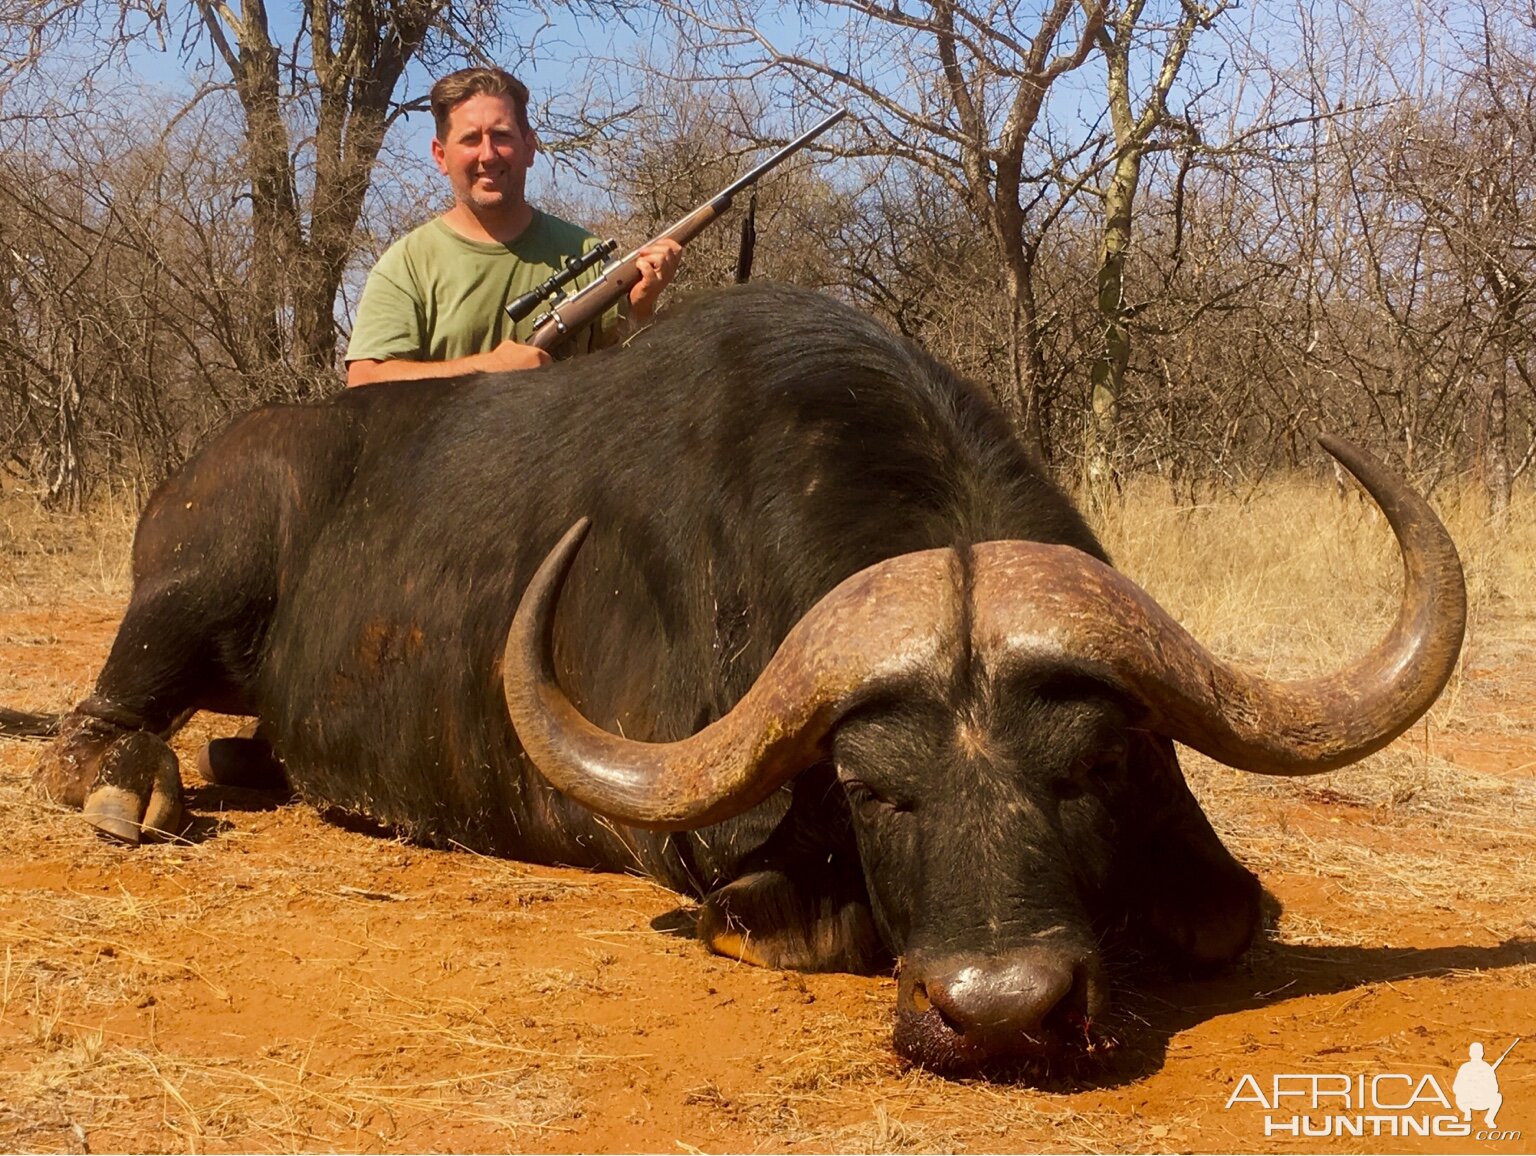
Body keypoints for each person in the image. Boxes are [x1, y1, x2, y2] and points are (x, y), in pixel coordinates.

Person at [346, 67, 681, 385]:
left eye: (501, 135)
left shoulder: (585, 252)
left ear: (529, 147)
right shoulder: (406, 266)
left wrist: (641, 306)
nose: (488, 154)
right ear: (440, 155)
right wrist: (485, 369)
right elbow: (364, 382)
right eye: (470, 139)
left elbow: (621, 384)